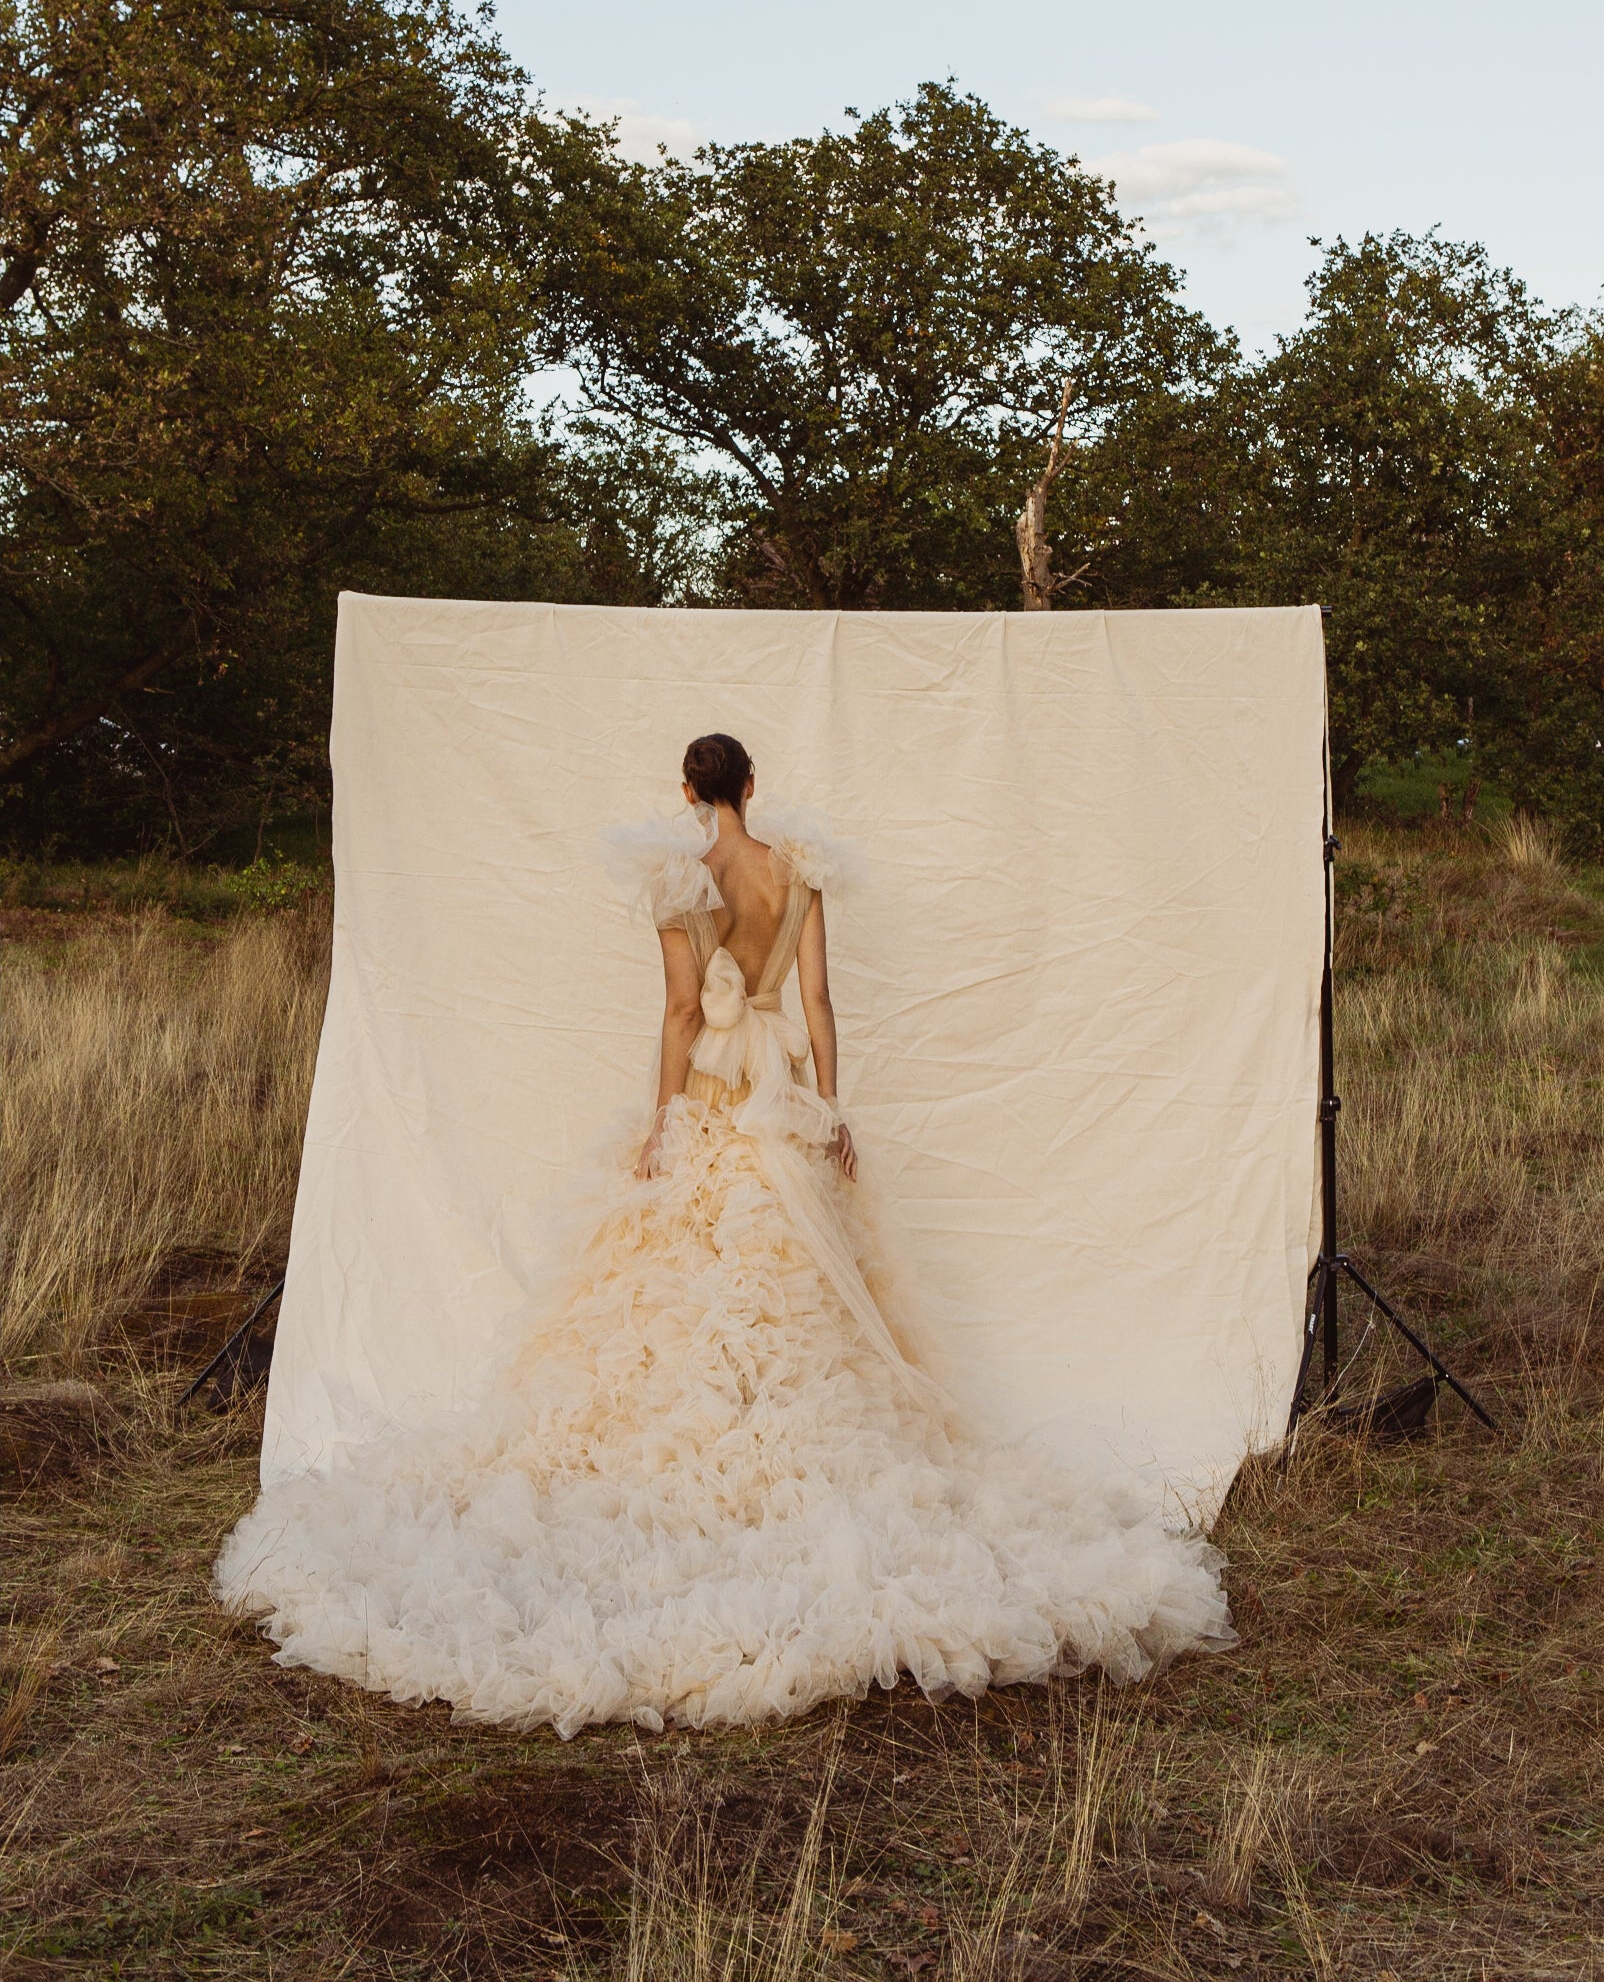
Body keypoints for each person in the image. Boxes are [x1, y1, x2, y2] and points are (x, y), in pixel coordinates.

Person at [216, 733, 1234, 1735]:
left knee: (680, 1290)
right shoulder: (800, 873)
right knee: (795, 1295)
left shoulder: (676, 879)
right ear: (752, 785)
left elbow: (675, 1009)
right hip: (782, 1104)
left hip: (710, 1098)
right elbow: (822, 1001)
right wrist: (834, 1111)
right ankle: (780, 1470)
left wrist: (663, 1123)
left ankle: (701, 1468)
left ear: (689, 791)